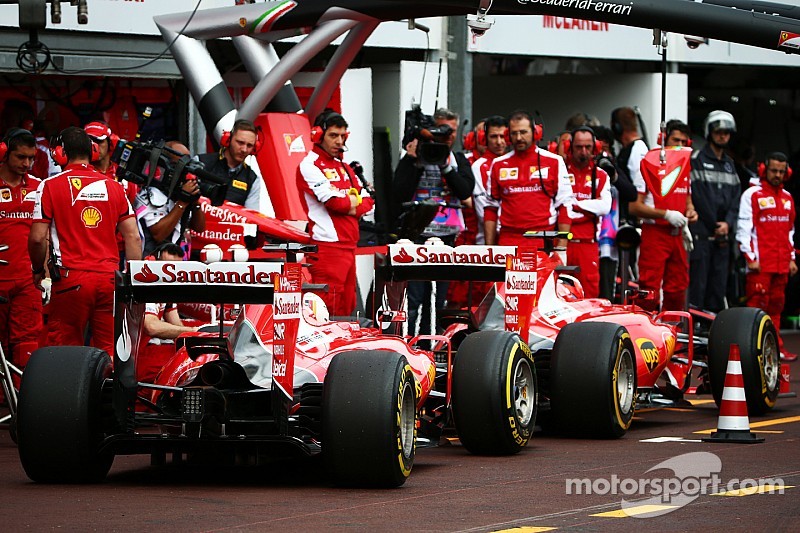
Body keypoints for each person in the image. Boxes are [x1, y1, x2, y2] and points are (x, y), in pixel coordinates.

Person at [28, 126, 142, 357]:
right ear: (92, 151)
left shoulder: (49, 186)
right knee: (110, 353)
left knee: (65, 353)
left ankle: (68, 394)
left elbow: (38, 238)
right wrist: (131, 279)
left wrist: (38, 268)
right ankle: (106, 393)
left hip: (71, 280)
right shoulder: (114, 187)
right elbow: (133, 236)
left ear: (59, 153)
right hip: (110, 280)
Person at [392, 107, 474, 336]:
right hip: (416, 234)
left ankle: (435, 341)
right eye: (440, 131)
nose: (446, 136)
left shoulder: (457, 159)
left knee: (438, 297)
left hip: (446, 236)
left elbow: (466, 190)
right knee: (414, 297)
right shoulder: (413, 157)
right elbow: (398, 193)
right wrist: (413, 160)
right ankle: (411, 341)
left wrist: (446, 166)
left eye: (451, 131)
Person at [297, 111, 374, 317]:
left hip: (349, 247)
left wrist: (350, 203)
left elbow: (370, 202)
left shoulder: (345, 167)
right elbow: (336, 204)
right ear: (318, 134)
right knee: (327, 309)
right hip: (327, 248)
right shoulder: (309, 165)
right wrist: (352, 203)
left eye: (343, 136)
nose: (339, 141)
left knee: (348, 308)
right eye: (333, 135)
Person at [628, 120, 698, 311]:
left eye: (684, 142)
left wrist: (691, 214)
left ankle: (673, 334)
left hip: (679, 235)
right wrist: (666, 214)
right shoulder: (649, 164)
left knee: (678, 290)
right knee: (649, 289)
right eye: (676, 140)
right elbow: (634, 207)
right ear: (663, 140)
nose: (680, 146)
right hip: (655, 233)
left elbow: (688, 202)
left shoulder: (685, 168)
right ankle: (646, 333)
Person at [736, 152, 797, 362]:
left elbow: (790, 231)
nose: (777, 175)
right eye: (774, 171)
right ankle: (753, 350)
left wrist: (791, 259)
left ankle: (774, 348)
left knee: (776, 310)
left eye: (781, 171)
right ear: (764, 170)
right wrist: (749, 257)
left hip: (781, 265)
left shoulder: (788, 198)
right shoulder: (752, 195)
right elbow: (743, 229)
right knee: (756, 310)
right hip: (759, 267)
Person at [484, 109, 573, 253]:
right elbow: (490, 208)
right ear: (508, 135)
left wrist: (562, 249)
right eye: (514, 133)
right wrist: (489, 248)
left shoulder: (554, 162)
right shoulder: (498, 164)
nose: (519, 138)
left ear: (535, 132)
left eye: (523, 132)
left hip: (543, 240)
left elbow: (565, 205)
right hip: (508, 240)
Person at [689, 110, 741, 313]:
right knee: (698, 288)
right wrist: (714, 224)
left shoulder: (730, 165)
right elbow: (699, 198)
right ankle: (696, 331)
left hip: (722, 239)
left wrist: (727, 223)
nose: (723, 136)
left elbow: (736, 199)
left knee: (718, 289)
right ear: (710, 132)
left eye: (727, 132)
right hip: (702, 236)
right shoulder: (697, 160)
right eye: (719, 131)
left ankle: (714, 331)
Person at [0, 128, 42, 373]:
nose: (26, 163)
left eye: (31, 158)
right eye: (20, 157)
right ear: (4, 154)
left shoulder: (39, 187)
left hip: (28, 279)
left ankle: (24, 404)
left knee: (27, 341)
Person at [137, 243, 199, 381]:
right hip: (133, 353)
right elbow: (151, 326)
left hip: (145, 349)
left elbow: (175, 322)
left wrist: (197, 333)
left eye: (176, 268)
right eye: (168, 266)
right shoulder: (146, 280)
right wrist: (195, 331)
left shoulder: (166, 282)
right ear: (156, 259)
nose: (171, 272)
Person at [134, 140, 206, 256]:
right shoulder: (150, 193)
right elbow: (158, 234)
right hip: (148, 263)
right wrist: (182, 202)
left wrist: (194, 201)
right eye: (180, 164)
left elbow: (199, 228)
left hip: (173, 264)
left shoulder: (179, 192)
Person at [565, 126, 612, 298]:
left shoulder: (601, 175)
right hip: (562, 244)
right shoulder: (559, 171)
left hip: (588, 245)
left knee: (589, 294)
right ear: (570, 147)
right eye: (578, 147)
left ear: (596, 148)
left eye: (588, 147)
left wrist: (576, 205)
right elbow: (559, 207)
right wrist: (590, 207)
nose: (583, 152)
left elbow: (605, 207)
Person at [594, 124, 637, 301]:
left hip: (610, 241)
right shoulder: (583, 170)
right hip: (588, 238)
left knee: (607, 292)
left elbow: (632, 193)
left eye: (607, 149)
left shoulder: (614, 167)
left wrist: (613, 173)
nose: (603, 154)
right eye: (599, 149)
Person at [198, 118, 264, 210]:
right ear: (228, 140)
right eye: (240, 143)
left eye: (249, 145)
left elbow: (251, 217)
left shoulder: (252, 179)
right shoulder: (201, 162)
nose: (244, 149)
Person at [610, 107, 648, 225]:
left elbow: (640, 188)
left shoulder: (637, 150)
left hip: (631, 220)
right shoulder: (629, 149)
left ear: (617, 128)